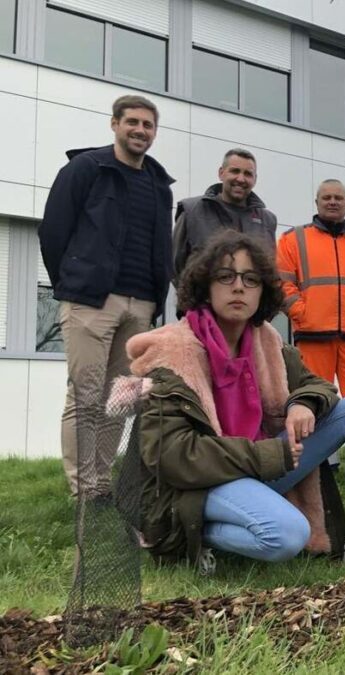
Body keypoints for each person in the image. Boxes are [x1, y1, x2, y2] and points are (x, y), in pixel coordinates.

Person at [120, 231, 345, 570]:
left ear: (263, 291)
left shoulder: (267, 343)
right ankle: (188, 535)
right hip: (198, 483)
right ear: (205, 286)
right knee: (287, 535)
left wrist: (302, 403)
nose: (239, 287)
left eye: (251, 279)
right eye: (226, 276)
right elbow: (171, 456)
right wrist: (266, 455)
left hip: (263, 465)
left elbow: (319, 387)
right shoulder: (170, 355)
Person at [39, 94, 175, 497]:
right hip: (90, 301)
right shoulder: (86, 168)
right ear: (114, 124)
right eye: (132, 122)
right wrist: (74, 284)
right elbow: (53, 232)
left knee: (119, 399)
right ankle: (85, 491)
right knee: (85, 394)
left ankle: (101, 482)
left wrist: (156, 297)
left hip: (141, 305)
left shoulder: (158, 184)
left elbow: (160, 246)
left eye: (148, 125)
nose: (140, 130)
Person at [277, 179, 345, 397]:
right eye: (327, 197)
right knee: (312, 400)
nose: (332, 202)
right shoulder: (293, 239)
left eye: (338, 198)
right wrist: (302, 314)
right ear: (317, 202)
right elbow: (281, 283)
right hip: (312, 336)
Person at [173, 148, 277, 278]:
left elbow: (270, 270)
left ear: (255, 179)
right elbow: (174, 266)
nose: (240, 179)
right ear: (221, 173)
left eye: (248, 174)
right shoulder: (191, 211)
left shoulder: (267, 221)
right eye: (235, 171)